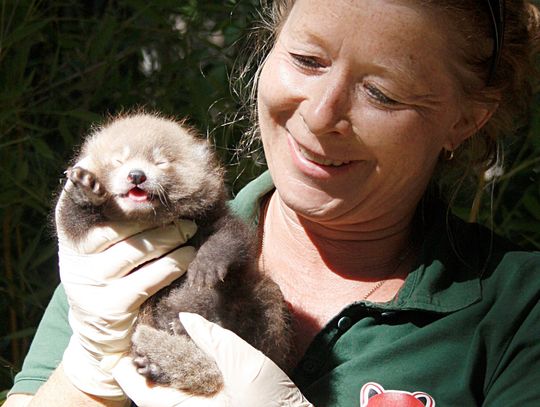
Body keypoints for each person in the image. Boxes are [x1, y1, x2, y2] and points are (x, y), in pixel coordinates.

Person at [5, 0, 540, 405]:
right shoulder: (137, 246)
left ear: (466, 120)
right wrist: (86, 378)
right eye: (307, 59)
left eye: (382, 93)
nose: (321, 113)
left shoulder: (518, 313)